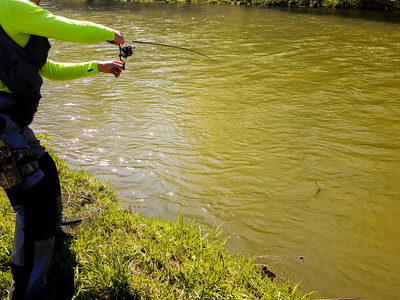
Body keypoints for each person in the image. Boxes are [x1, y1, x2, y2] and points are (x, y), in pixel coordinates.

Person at [0, 0, 126, 298]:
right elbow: (69, 28)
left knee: (46, 170)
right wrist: (110, 34)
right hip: (3, 126)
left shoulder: (18, 20)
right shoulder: (11, 6)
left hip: (12, 123)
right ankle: (28, 289)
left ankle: (49, 235)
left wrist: (99, 67)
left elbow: (49, 70)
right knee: (33, 206)